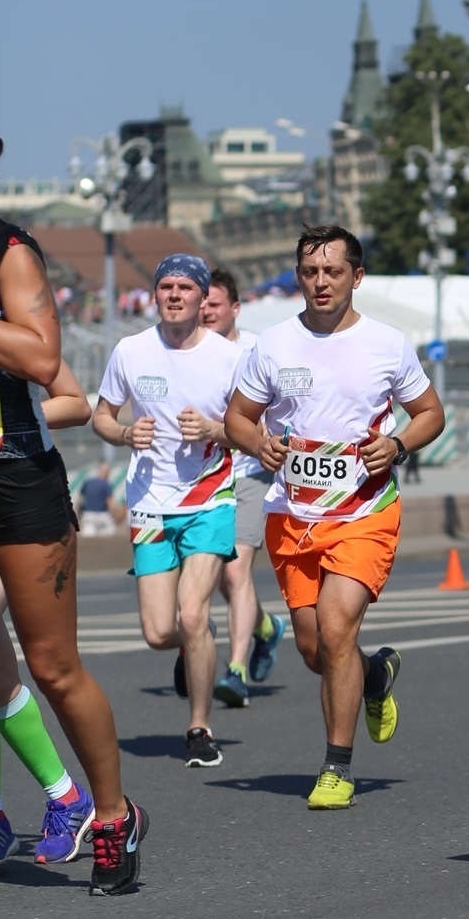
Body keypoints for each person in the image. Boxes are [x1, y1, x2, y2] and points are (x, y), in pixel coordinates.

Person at [225, 225, 445, 810]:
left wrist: (397, 446)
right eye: (310, 272)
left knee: (337, 624)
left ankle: (335, 768)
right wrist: (258, 444)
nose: (320, 282)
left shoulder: (387, 343)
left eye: (332, 271)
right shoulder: (272, 344)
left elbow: (429, 413)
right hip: (293, 515)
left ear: (356, 276)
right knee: (314, 648)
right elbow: (238, 418)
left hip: (365, 511)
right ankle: (374, 677)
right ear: (299, 277)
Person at [0, 119, 146, 895]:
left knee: (51, 664)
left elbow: (45, 360)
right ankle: (14, 801)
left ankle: (110, 813)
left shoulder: (9, 253)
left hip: (13, 473)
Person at [94, 254, 244, 769]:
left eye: (185, 287)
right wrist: (122, 433)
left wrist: (215, 430)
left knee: (190, 611)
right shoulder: (131, 351)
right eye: (166, 286)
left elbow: (254, 429)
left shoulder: (228, 358)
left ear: (204, 298)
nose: (175, 294)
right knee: (161, 632)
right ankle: (197, 642)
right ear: (155, 295)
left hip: (210, 498)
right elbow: (102, 416)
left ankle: (199, 726)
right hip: (151, 505)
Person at [0, 361, 99, 868]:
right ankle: (56, 801)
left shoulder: (8, 316)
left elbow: (76, 402)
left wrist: (4, 427)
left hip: (7, 496)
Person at [201, 269, 287, 709]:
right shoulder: (188, 350)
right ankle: (266, 628)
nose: (205, 312)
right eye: (202, 305)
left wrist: (219, 430)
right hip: (205, 479)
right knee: (215, 576)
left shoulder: (258, 350)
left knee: (236, 572)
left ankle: (235, 669)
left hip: (250, 472)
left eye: (214, 305)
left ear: (234, 308)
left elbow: (272, 417)